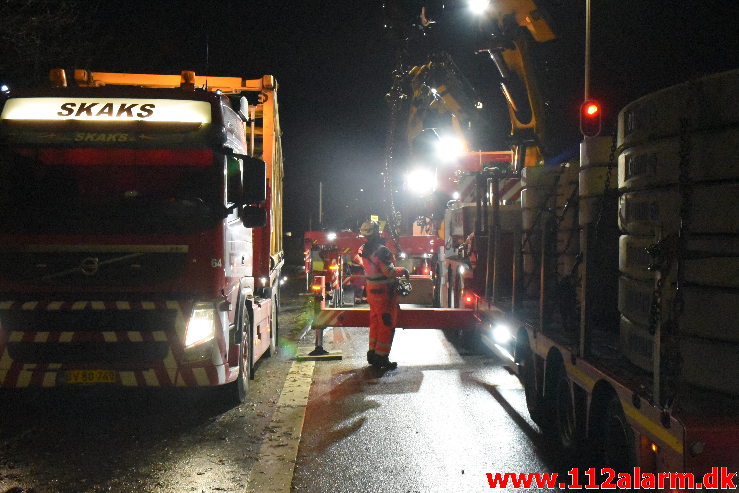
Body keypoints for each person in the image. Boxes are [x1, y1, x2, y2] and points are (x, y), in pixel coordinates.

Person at [354, 221, 407, 369]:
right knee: (386, 324)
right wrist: (403, 270)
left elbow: (358, 260)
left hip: (371, 290)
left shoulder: (363, 249)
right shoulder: (382, 251)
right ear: (377, 232)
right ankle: (382, 357)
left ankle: (372, 354)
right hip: (384, 292)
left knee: (375, 323)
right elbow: (389, 272)